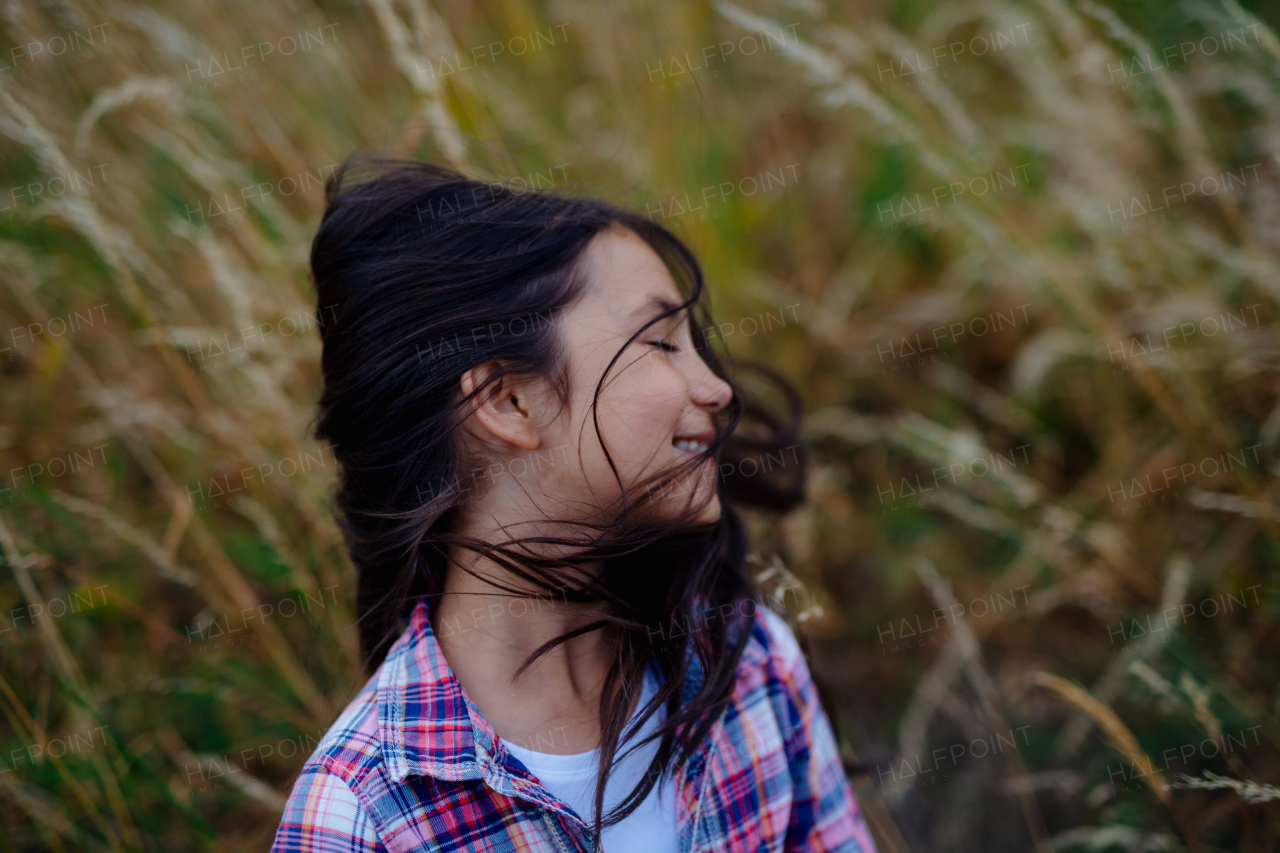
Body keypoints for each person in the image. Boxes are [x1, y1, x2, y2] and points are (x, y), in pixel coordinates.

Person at [269, 155, 877, 853]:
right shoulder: (361, 813)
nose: (717, 388)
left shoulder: (751, 668)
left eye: (694, 344)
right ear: (508, 400)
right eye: (660, 343)